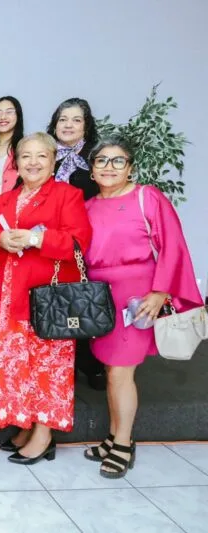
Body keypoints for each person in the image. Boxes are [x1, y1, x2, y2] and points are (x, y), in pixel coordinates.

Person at [83, 137, 203, 478]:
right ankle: (112, 437)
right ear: (91, 170)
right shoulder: (89, 206)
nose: (109, 167)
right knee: (110, 369)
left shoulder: (146, 197)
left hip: (138, 297)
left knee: (122, 371)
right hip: (101, 297)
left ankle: (122, 443)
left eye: (118, 161)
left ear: (130, 167)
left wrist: (161, 291)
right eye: (102, 161)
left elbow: (173, 245)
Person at [0, 132, 92, 464]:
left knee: (45, 367)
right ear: (17, 162)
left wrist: (37, 238)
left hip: (45, 301)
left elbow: (79, 243)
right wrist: (0, 242)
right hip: (5, 301)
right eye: (26, 156)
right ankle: (24, 424)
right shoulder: (2, 201)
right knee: (15, 368)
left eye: (41, 156)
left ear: (53, 160)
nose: (33, 162)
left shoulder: (68, 196)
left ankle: (44, 434)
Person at [47, 97, 104, 390]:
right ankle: (56, 363)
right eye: (62, 119)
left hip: (84, 242)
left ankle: (88, 362)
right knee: (53, 302)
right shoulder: (44, 156)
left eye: (76, 120)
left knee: (81, 302)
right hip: (46, 242)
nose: (68, 125)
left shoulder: (96, 160)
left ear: (86, 125)